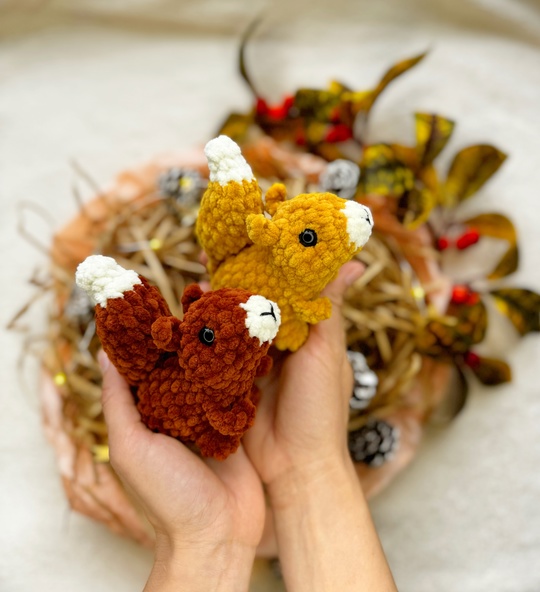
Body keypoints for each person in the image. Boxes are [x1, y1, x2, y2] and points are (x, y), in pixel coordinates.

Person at [99, 261, 397, 591]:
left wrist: (308, 465)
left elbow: (230, 416)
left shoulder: (236, 382)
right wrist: (310, 469)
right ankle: (117, 293)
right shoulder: (184, 362)